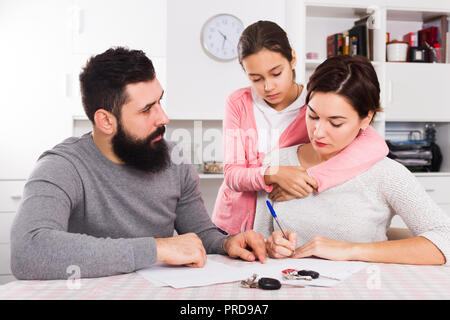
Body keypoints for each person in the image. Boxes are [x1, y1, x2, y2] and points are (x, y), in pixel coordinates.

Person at [10, 47, 266, 280]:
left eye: (160, 101)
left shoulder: (174, 160)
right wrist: (157, 248)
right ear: (106, 121)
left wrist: (227, 243)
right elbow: (29, 251)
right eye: (146, 110)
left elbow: (200, 233)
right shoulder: (62, 167)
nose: (163, 117)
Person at [254, 55, 449, 265]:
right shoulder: (277, 162)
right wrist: (271, 245)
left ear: (366, 119)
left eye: (335, 123)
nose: (318, 132)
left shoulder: (386, 174)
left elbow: (445, 239)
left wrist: (349, 250)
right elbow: (258, 236)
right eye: (312, 116)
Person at [212, 20, 389, 235]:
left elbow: (375, 145)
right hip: (230, 225)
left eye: (276, 73)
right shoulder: (237, 102)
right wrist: (274, 174)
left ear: (293, 59)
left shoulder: (315, 105)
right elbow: (232, 174)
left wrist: (312, 179)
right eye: (255, 79)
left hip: (279, 226)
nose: (268, 87)